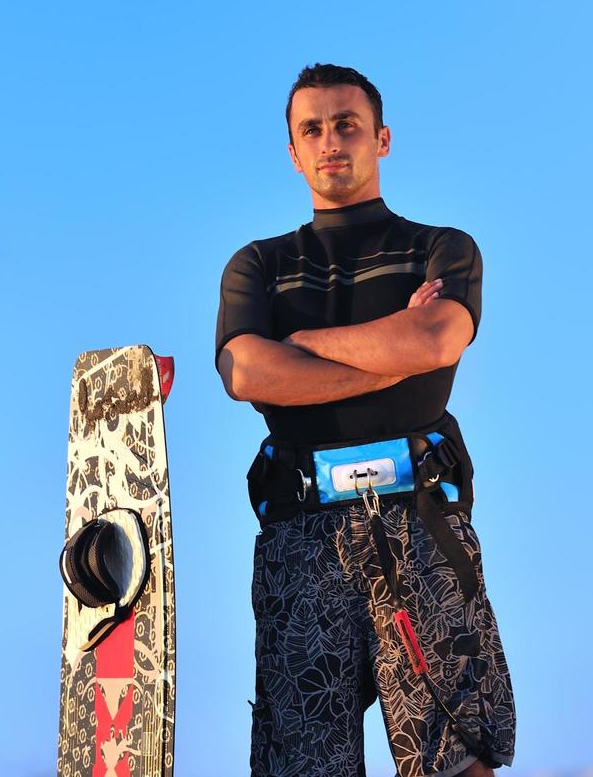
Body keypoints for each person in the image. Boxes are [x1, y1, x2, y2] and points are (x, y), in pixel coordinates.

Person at [215, 64, 516, 777]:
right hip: (302, 537)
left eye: (346, 125)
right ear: (293, 151)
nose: (330, 142)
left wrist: (302, 347)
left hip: (418, 521)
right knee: (302, 766)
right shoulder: (258, 266)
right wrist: (395, 353)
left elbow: (438, 338)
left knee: (455, 755)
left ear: (381, 138)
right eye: (311, 130)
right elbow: (246, 373)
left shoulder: (440, 249)